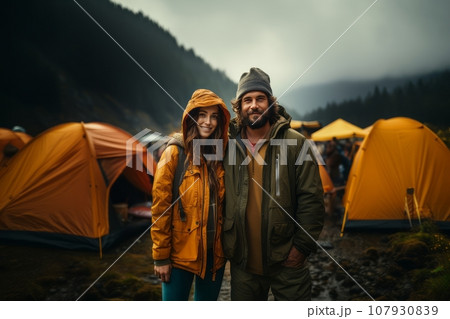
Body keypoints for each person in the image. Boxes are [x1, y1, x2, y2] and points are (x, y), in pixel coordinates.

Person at [223, 67, 325, 301]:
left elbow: (312, 200)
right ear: (239, 107)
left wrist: (300, 248)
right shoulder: (227, 146)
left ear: (271, 102)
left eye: (260, 98)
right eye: (247, 100)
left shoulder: (296, 143)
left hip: (287, 261)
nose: (254, 105)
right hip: (243, 263)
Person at [151, 89, 230, 301]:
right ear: (191, 118)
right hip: (179, 256)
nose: (208, 122)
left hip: (215, 256)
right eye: (202, 115)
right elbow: (160, 207)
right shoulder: (174, 153)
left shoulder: (223, 153)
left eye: (214, 116)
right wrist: (160, 257)